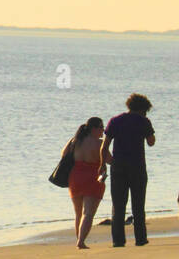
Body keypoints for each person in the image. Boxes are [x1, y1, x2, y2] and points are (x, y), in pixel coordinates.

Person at [101, 93, 155, 247]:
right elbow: (151, 142)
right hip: (137, 167)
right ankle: (140, 238)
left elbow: (104, 147)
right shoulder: (144, 122)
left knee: (118, 205)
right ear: (143, 109)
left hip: (118, 167)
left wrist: (104, 164)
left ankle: (118, 240)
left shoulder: (115, 121)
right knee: (138, 205)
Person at [66, 117, 106, 249]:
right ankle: (81, 241)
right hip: (92, 177)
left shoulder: (75, 141)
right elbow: (111, 160)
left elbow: (64, 155)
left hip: (75, 177)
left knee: (78, 213)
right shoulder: (99, 143)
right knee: (88, 213)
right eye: (101, 128)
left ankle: (79, 239)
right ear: (94, 129)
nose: (103, 131)